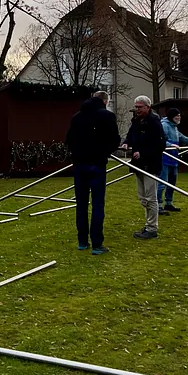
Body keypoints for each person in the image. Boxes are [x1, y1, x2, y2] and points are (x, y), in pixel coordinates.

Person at [66, 90, 120, 254]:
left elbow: (68, 139)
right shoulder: (107, 116)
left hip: (79, 165)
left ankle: (82, 240)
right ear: (105, 101)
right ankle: (97, 243)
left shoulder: (77, 117)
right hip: (97, 164)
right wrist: (105, 151)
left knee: (81, 204)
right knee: (97, 204)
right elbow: (114, 140)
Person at [121, 95, 167, 240]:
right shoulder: (136, 120)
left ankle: (152, 228)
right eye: (136, 107)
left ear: (148, 107)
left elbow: (160, 145)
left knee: (151, 197)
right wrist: (126, 143)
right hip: (138, 164)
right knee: (143, 198)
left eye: (140, 107)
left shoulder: (154, 122)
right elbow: (131, 134)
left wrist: (143, 153)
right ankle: (148, 225)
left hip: (151, 164)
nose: (137, 109)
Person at [158, 108, 188, 213]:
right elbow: (160, 139)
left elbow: (182, 137)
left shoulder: (174, 127)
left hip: (173, 158)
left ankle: (168, 203)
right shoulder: (164, 126)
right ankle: (158, 205)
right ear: (172, 116)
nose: (179, 117)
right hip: (164, 158)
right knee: (162, 182)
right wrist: (170, 145)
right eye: (177, 115)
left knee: (172, 182)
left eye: (179, 115)